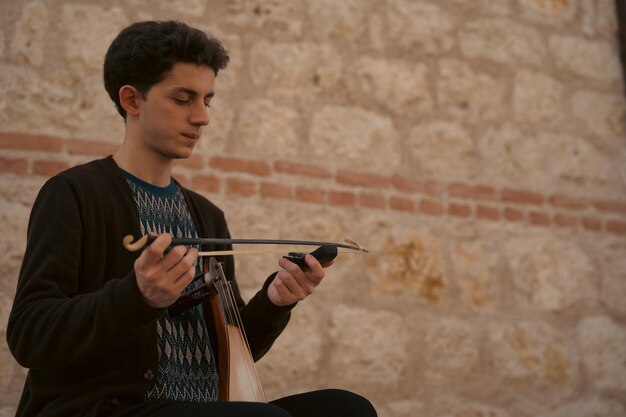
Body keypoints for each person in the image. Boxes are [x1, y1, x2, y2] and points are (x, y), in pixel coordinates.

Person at [6, 20, 377, 417]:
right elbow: (29, 335)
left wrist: (276, 301)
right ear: (132, 100)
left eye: (207, 100)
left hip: (201, 407)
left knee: (348, 408)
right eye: (183, 99)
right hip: (108, 409)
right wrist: (137, 297)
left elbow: (231, 350)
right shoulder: (75, 194)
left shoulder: (207, 216)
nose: (202, 117)